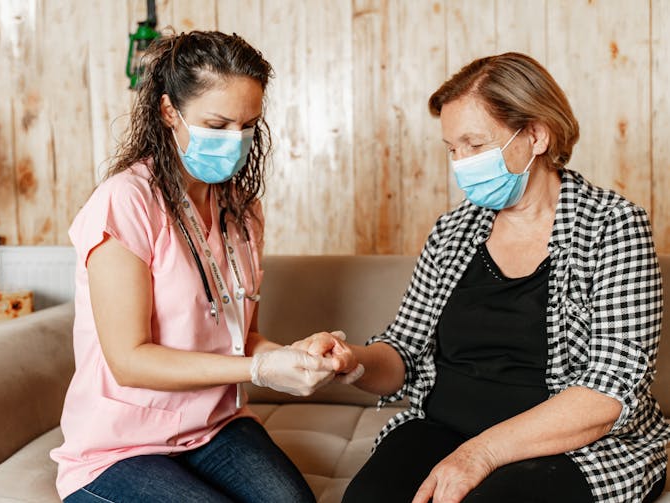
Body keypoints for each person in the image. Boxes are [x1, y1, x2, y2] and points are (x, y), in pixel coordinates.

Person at [296, 52, 670, 502]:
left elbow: (609, 392)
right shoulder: (452, 230)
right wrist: (350, 360)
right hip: (442, 428)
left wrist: (479, 454)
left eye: (474, 145)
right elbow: (404, 352)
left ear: (535, 134)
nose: (460, 163)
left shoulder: (613, 226)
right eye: (452, 148)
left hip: (564, 448)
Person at [50, 30, 359, 502]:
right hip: (122, 445)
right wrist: (258, 369)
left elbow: (238, 338)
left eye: (247, 125)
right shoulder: (125, 203)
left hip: (215, 425)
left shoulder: (242, 209)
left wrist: (294, 355)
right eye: (217, 124)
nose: (235, 143)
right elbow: (129, 360)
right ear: (169, 111)